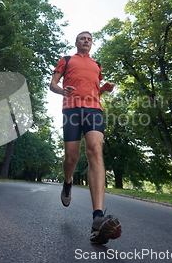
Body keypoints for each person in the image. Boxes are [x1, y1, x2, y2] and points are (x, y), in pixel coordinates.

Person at [50, 31, 122, 244]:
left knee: (95, 149)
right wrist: (62, 90)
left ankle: (97, 218)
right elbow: (53, 84)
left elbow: (94, 90)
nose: (86, 41)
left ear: (92, 44)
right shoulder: (66, 60)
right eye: (83, 38)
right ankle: (68, 181)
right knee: (71, 157)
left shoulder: (97, 65)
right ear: (76, 42)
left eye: (89, 39)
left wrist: (103, 89)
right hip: (71, 110)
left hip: (93, 110)